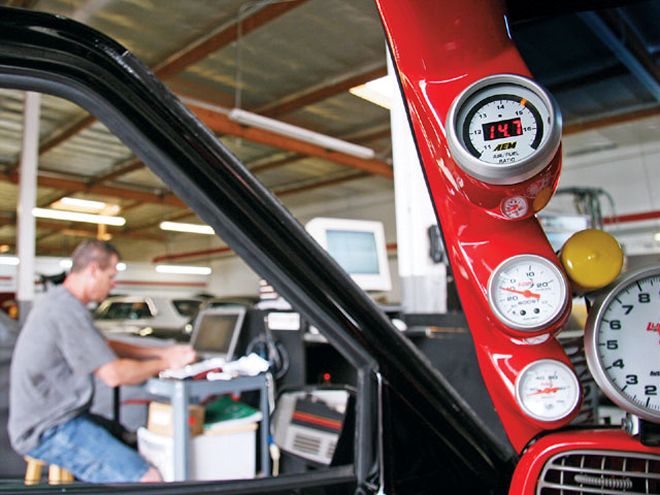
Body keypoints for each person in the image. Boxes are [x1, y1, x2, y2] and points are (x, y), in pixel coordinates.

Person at [8, 240, 196, 483]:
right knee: (148, 479)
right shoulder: (66, 310)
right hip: (48, 428)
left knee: (129, 440)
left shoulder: (61, 302)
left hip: (54, 418)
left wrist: (161, 352)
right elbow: (114, 375)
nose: (113, 284)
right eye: (111, 276)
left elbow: (105, 346)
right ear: (93, 270)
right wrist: (168, 363)